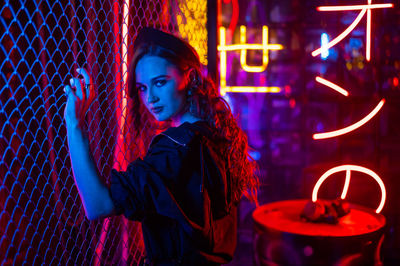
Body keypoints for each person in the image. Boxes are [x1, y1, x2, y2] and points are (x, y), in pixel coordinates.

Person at [64, 27, 258, 265]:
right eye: (143, 88)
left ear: (190, 77)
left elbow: (97, 205)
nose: (150, 98)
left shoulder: (176, 149)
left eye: (160, 82)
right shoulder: (213, 133)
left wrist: (74, 125)